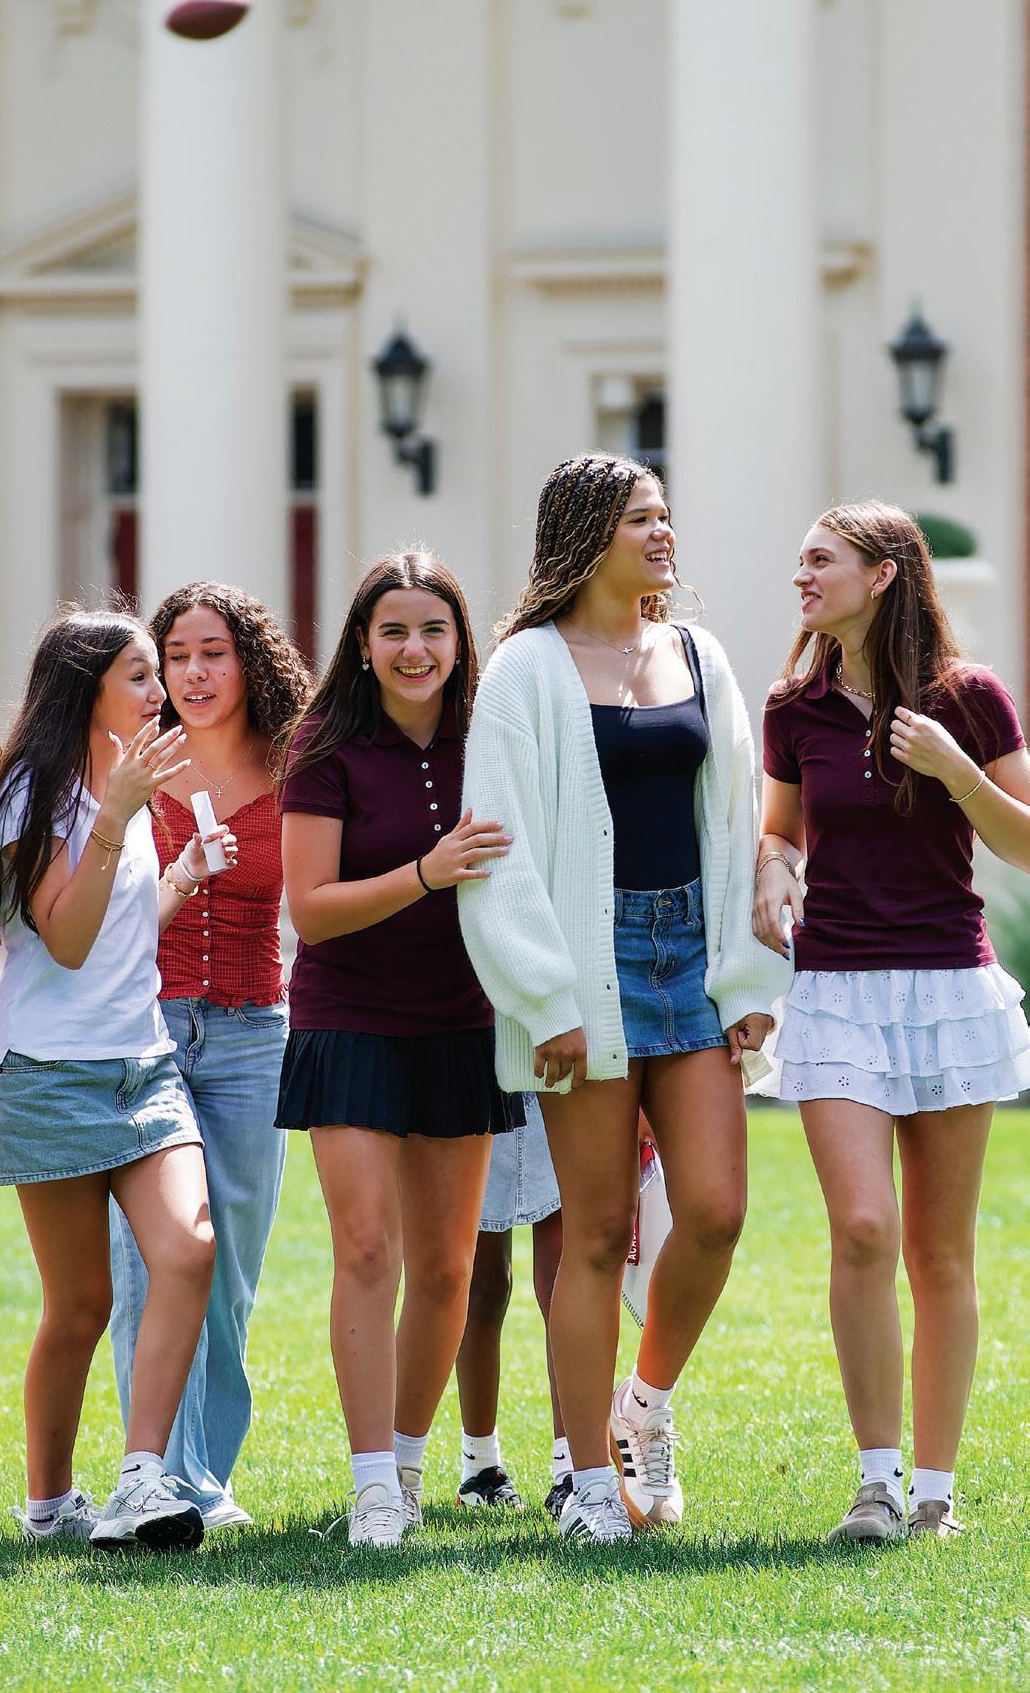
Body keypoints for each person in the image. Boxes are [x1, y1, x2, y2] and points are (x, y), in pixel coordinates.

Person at [460, 454, 789, 1545]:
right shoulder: (523, 670)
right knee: (594, 1233)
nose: (662, 534)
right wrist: (542, 996)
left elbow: (735, 819)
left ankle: (640, 1406)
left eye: (664, 516)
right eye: (640, 518)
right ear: (586, 533)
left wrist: (747, 978)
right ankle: (592, 1489)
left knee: (714, 1210)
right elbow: (497, 847)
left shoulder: (698, 655)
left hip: (690, 961)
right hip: (583, 968)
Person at [755, 501, 1030, 1543]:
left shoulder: (970, 699)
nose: (801, 576)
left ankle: (934, 1496)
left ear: (880, 576)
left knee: (940, 1253)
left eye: (818, 560)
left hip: (949, 990)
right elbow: (780, 831)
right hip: (836, 990)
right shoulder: (793, 708)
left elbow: (1024, 843)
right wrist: (771, 872)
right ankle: (875, 1484)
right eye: (800, 559)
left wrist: (956, 772)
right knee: (863, 1227)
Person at [0, 609, 234, 1554]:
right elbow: (68, 943)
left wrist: (181, 877)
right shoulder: (31, 796)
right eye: (142, 675)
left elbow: (117, 933)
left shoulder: (125, 784)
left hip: (142, 1066)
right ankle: (48, 1504)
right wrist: (116, 815)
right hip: (50, 1077)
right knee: (79, 1307)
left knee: (189, 1250)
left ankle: (140, 1476)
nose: (162, 692)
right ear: (86, 688)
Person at [276, 550, 523, 1549]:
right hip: (348, 1019)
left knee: (450, 1270)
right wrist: (426, 871)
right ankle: (371, 1481)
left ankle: (411, 1467)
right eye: (393, 631)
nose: (413, 649)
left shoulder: (495, 737)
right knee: (368, 1248)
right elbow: (310, 909)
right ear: (362, 643)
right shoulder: (323, 745)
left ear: (460, 641)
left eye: (432, 630)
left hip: (464, 1020)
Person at [108, 582, 310, 1529]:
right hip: (143, 1030)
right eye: (175, 656)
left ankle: (205, 1475)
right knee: (146, 1265)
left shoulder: (295, 765)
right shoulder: (131, 763)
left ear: (249, 662)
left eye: (212, 653)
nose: (192, 673)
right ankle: (154, 1476)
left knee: (228, 1270)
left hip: (251, 1035)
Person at [453, 1100, 570, 1515]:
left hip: (561, 1081)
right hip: (483, 1075)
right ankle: (480, 1465)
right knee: (483, 1284)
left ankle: (573, 1467)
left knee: (563, 1282)